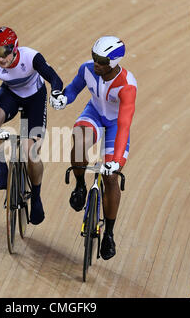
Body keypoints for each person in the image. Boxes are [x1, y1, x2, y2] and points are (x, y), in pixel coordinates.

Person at [50, 36, 137, 260]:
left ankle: (108, 233)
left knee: (110, 178)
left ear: (115, 62)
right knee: (79, 137)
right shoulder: (87, 69)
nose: (96, 63)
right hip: (95, 114)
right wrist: (63, 100)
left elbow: (125, 124)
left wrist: (115, 161)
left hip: (117, 125)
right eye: (94, 57)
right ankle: (80, 186)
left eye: (101, 60)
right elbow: (73, 89)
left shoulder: (127, 85)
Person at [0, 26, 64, 225]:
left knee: (30, 152)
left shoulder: (31, 57)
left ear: (15, 48)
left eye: (5, 53)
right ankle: (2, 169)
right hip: (11, 95)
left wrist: (56, 92)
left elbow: (55, 79)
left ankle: (36, 197)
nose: (1, 59)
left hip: (35, 99)